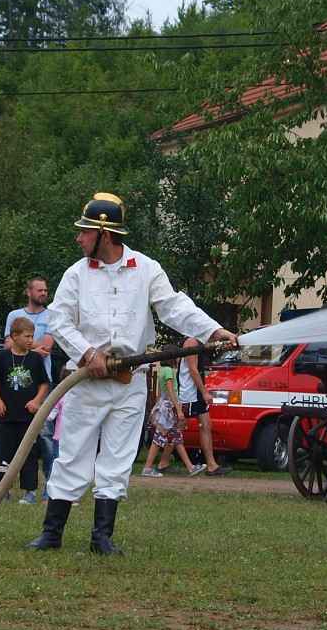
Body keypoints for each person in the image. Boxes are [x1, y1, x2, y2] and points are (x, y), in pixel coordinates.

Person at [26, 192, 236, 555]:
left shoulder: (147, 269)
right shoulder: (76, 275)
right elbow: (59, 321)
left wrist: (213, 331)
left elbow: (174, 307)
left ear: (104, 234)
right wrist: (88, 353)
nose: (79, 238)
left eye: (85, 232)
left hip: (129, 383)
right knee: (73, 453)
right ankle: (52, 533)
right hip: (86, 382)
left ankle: (101, 538)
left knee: (117, 458)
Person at [1, 275, 59, 480]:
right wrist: (35, 347)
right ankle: (0, 474)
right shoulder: (14, 315)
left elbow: (47, 346)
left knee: (44, 432)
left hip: (42, 381)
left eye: (45, 290)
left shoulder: (52, 316)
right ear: (29, 292)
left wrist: (22, 343)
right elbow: (7, 345)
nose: (44, 293)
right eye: (39, 290)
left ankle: (51, 477)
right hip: (13, 381)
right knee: (7, 428)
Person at [0, 314, 49, 503]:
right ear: (14, 336)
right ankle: (2, 490)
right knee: (4, 453)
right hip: (7, 415)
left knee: (29, 454)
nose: (31, 340)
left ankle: (29, 491)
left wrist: (37, 401)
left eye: (32, 336)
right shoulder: (3, 357)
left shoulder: (35, 359)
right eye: (27, 336)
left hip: (28, 417)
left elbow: (44, 384)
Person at [177, 337, 227, 475]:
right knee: (176, 428)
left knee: (206, 425)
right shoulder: (191, 343)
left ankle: (211, 465)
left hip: (195, 392)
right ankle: (161, 461)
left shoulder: (197, 343)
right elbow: (193, 370)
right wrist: (204, 392)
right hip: (189, 392)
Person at [140, 359, 197, 477]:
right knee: (159, 438)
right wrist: (178, 409)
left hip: (164, 406)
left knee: (176, 437)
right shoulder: (169, 371)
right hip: (169, 407)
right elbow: (171, 391)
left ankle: (191, 467)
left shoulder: (162, 370)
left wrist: (157, 407)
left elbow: (160, 392)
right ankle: (147, 468)